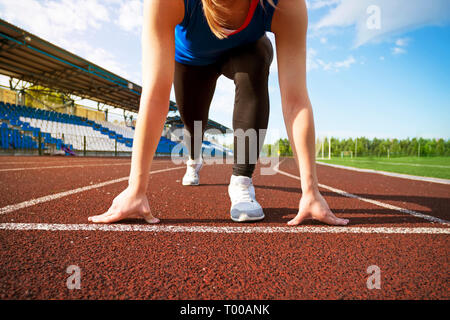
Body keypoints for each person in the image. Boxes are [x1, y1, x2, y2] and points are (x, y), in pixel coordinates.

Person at [88, 0, 349, 226]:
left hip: (244, 50)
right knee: (193, 122)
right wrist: (136, 189)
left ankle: (242, 182)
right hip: (191, 61)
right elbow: (156, 94)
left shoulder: (282, 5)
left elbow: (295, 100)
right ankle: (194, 158)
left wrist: (310, 190)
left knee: (257, 61)